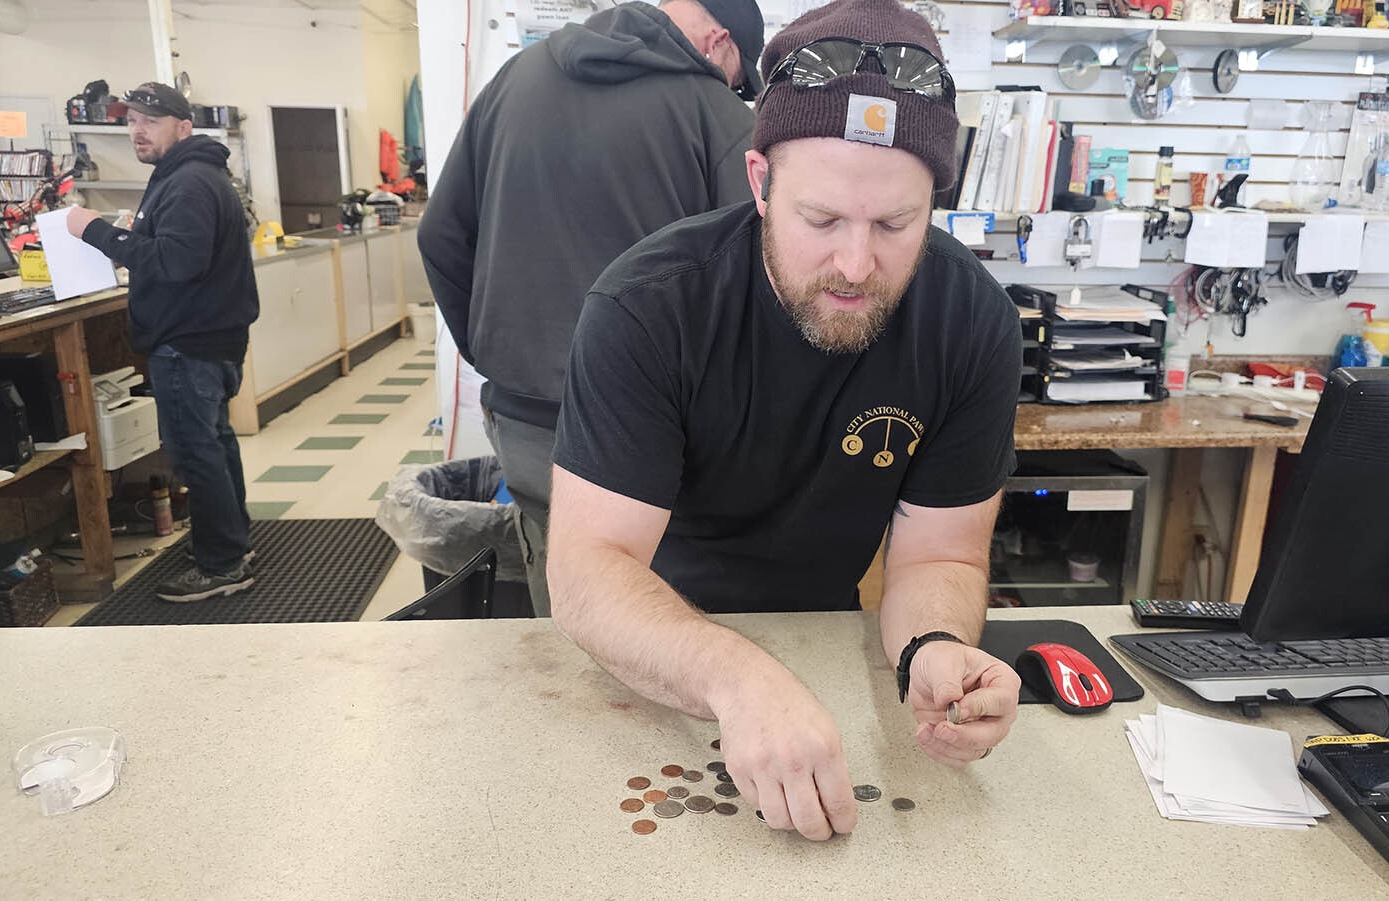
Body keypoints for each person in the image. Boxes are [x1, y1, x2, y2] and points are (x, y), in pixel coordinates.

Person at [546, 0, 1024, 842]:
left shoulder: (972, 324)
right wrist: (735, 676)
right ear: (761, 182)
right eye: (821, 219)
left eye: (895, 224)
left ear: (934, 204)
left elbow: (940, 552)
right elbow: (590, 570)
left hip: (828, 649)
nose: (854, 262)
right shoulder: (649, 308)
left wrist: (934, 648)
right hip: (645, 656)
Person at [418, 0, 763, 616]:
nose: (733, 90)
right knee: (664, 613)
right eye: (739, 77)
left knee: (567, 604)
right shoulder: (714, 114)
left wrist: (496, 348)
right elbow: (754, 283)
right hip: (657, 424)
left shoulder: (513, 81)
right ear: (719, 44)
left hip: (525, 415)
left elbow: (441, 235)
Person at [67, 82, 259, 603]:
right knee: (214, 445)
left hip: (188, 343)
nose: (137, 131)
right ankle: (233, 546)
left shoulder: (189, 182)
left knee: (197, 453)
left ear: (182, 125)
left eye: (149, 121)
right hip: (205, 338)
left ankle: (221, 564)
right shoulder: (189, 176)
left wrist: (97, 232)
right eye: (130, 121)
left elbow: (177, 262)